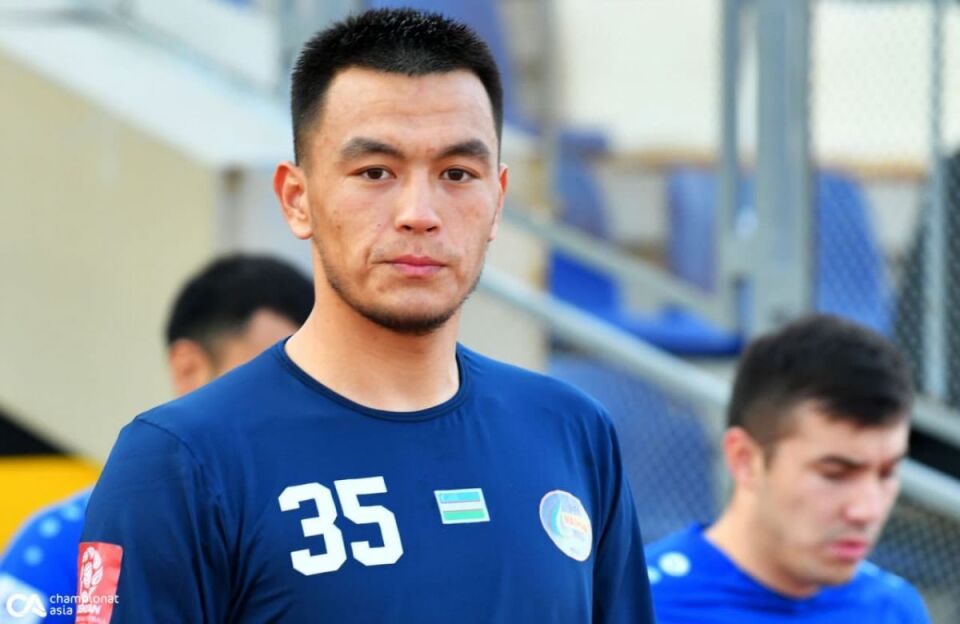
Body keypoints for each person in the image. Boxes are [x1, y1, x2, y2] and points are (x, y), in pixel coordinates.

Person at [79, 8, 654, 623]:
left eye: (457, 173)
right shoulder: (178, 462)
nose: (419, 213)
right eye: (375, 172)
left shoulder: (572, 431)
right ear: (297, 200)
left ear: (498, 199)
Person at [0, 254, 312, 623]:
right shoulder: (63, 543)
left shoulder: (330, 525)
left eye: (309, 380)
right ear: (188, 369)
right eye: (267, 375)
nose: (294, 401)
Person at [646, 314, 931, 623]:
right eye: (834, 474)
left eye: (886, 473)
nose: (866, 511)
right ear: (744, 459)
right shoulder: (639, 604)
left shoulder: (893, 608)